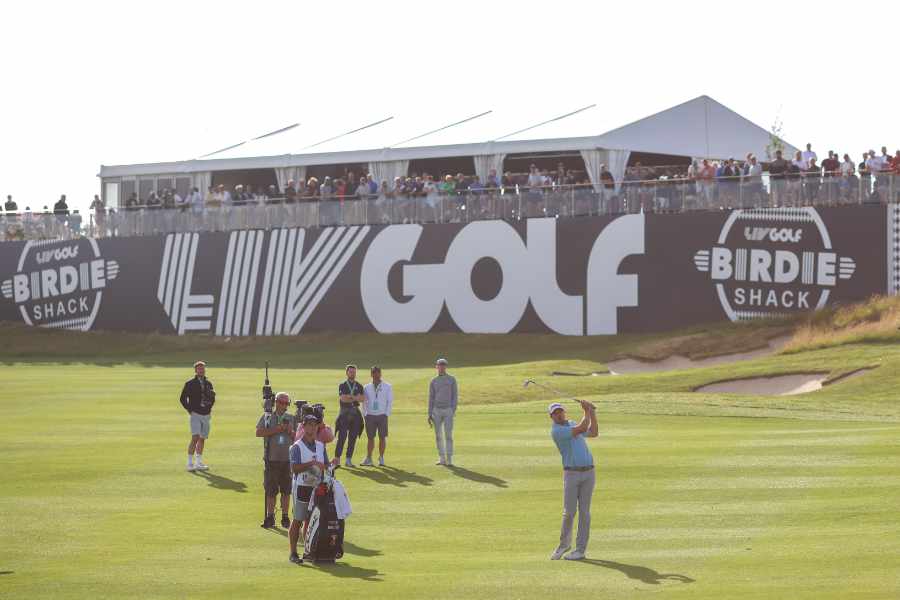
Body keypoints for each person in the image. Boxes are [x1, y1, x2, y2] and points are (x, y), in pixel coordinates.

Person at [548, 399, 598, 561]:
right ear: (551, 417)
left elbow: (593, 432)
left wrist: (592, 413)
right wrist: (586, 411)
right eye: (555, 413)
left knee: (585, 513)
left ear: (564, 412)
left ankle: (580, 550)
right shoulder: (556, 431)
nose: (558, 414)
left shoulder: (571, 423)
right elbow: (583, 428)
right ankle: (564, 545)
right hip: (571, 474)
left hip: (589, 473)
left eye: (560, 411)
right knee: (569, 512)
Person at [289, 414, 333, 565]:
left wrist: (330, 465)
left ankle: (309, 551)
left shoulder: (321, 446)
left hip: (317, 488)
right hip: (302, 487)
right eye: (309, 424)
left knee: (312, 520)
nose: (312, 427)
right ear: (304, 426)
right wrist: (312, 463)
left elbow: (326, 465)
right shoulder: (296, 447)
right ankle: (293, 553)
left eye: (314, 425)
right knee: (298, 520)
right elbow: (295, 468)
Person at [256, 392, 298, 529]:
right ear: (276, 402)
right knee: (271, 490)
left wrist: (290, 432)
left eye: (286, 403)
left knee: (286, 491)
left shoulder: (292, 418)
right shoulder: (268, 417)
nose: (284, 406)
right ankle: (270, 516)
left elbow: (299, 438)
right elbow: (259, 432)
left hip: (287, 459)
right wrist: (277, 429)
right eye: (282, 403)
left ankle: (285, 516)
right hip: (271, 459)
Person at [179, 361, 215, 471]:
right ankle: (190, 463)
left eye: (203, 368)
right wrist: (189, 410)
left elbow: (212, 398)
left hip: (206, 414)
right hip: (195, 414)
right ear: (195, 370)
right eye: (199, 369)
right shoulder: (189, 383)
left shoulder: (208, 383)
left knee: (202, 438)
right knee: (195, 437)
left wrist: (209, 408)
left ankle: (198, 463)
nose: (201, 370)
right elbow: (182, 398)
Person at [428, 357, 458, 466]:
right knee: (438, 435)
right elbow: (431, 398)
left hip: (448, 410)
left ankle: (449, 458)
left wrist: (453, 409)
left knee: (448, 435)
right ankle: (441, 458)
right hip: (436, 410)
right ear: (436, 366)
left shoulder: (452, 379)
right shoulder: (433, 381)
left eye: (443, 365)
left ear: (446, 366)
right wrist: (429, 413)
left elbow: (455, 396)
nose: (441, 367)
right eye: (440, 365)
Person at [361, 366, 393, 467]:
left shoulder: (387, 386)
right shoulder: (366, 387)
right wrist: (365, 414)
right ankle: (369, 458)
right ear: (371, 374)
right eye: (374, 373)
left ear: (380, 373)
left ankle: (381, 457)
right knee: (370, 438)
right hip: (370, 415)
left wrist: (386, 414)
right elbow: (364, 402)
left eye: (378, 372)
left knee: (382, 437)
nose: (376, 375)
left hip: (382, 415)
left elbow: (390, 401)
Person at [335, 364, 365, 467]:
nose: (353, 373)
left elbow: (362, 399)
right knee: (342, 437)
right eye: (351, 372)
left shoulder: (359, 386)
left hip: (355, 413)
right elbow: (343, 398)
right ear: (347, 373)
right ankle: (337, 459)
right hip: (344, 413)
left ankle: (348, 460)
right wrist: (355, 397)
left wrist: (350, 397)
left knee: (353, 437)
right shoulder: (342, 385)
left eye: (354, 372)